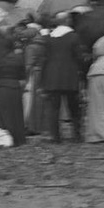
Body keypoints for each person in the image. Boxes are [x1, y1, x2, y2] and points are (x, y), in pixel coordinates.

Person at [41, 13, 86, 143]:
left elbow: (44, 58)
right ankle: (77, 135)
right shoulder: (73, 37)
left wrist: (43, 78)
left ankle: (55, 136)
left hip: (52, 75)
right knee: (74, 107)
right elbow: (79, 57)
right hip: (69, 75)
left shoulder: (49, 38)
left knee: (53, 109)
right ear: (67, 21)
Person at [0, 39, 27, 146]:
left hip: (0, 86)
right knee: (16, 113)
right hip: (14, 86)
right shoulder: (18, 58)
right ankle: (19, 138)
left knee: (2, 113)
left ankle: (5, 137)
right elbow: (23, 75)